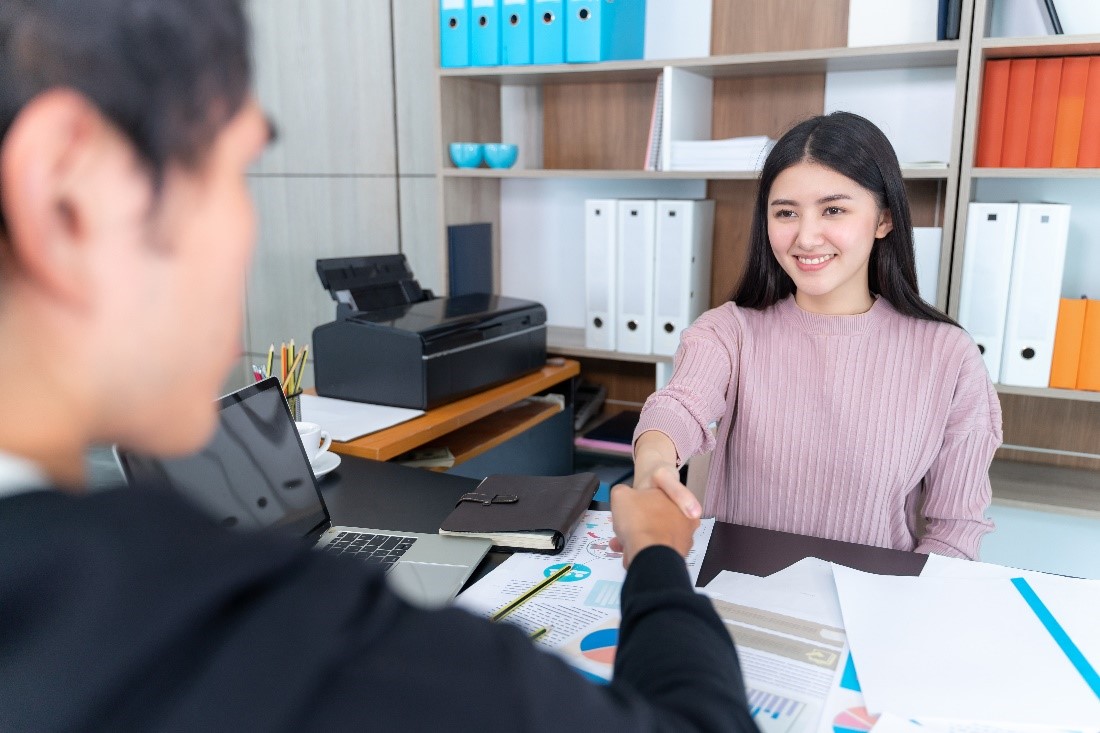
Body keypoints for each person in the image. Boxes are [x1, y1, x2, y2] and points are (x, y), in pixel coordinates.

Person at [0, 1, 754, 730]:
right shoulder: (282, 646)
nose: (245, 231)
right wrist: (657, 555)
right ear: (68, 197)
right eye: (233, 171)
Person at [632, 112, 1002, 560]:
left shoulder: (949, 355)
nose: (806, 237)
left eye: (833, 210)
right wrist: (654, 461)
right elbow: (680, 405)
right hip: (741, 594)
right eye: (786, 212)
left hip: (877, 606)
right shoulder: (730, 330)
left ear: (884, 219)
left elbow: (955, 531)